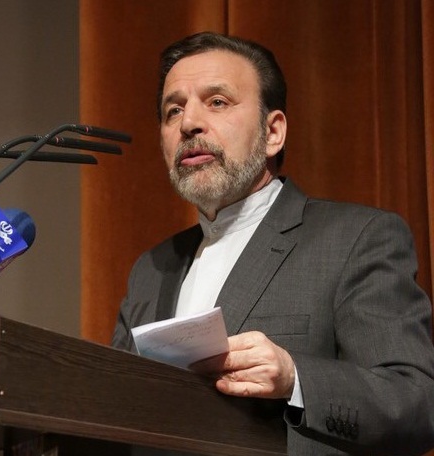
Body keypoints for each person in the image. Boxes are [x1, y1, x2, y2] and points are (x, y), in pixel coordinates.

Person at [112, 31, 434, 455]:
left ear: (273, 132)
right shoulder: (151, 269)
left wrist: (295, 377)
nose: (188, 123)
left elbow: (417, 405)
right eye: (173, 110)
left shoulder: (357, 238)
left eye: (217, 102)